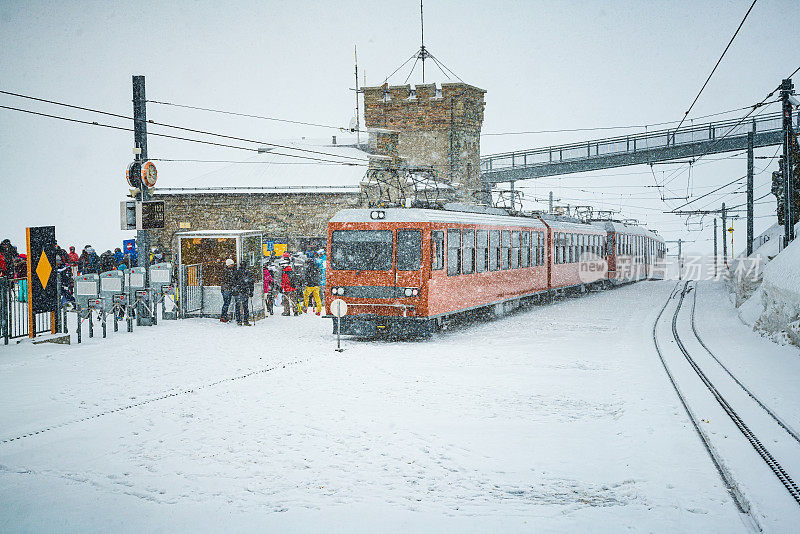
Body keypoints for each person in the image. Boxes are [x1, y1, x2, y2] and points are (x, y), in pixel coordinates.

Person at [234, 259, 254, 326]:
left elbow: (233, 282)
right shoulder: (248, 272)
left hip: (238, 291)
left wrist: (234, 289)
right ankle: (246, 321)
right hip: (245, 291)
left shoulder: (237, 272)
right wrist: (251, 291)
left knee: (238, 306)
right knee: (245, 306)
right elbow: (251, 283)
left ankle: (239, 321)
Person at [302, 251, 323, 315]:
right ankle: (318, 310)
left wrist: (306, 281)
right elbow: (320, 275)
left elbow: (306, 276)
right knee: (317, 298)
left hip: (310, 285)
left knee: (306, 296)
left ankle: (305, 307)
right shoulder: (317, 267)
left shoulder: (308, 268)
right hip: (316, 285)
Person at [219, 258, 236, 323]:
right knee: (226, 303)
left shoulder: (226, 271)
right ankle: (223, 316)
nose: (232, 265)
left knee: (226, 303)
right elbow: (229, 280)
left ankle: (224, 316)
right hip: (227, 289)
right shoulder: (228, 271)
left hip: (225, 289)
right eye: (231, 264)